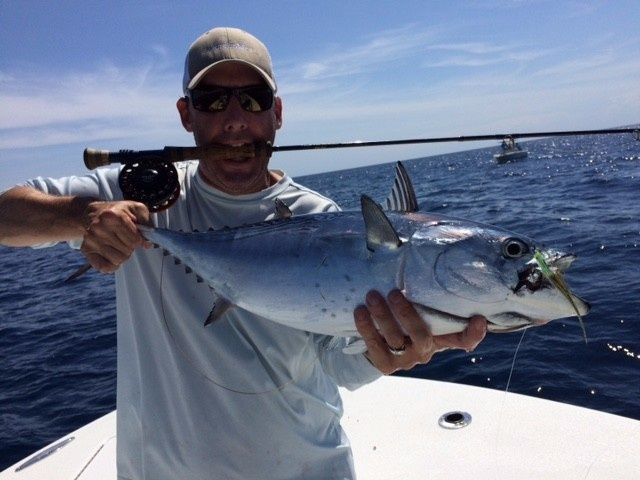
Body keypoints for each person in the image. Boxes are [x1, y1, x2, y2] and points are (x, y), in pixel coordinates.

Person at [0, 27, 486, 479]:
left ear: (276, 114)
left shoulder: (321, 218)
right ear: (186, 114)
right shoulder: (142, 191)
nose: (235, 122)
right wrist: (81, 216)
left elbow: (337, 363)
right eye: (212, 101)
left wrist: (393, 351)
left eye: (252, 101)